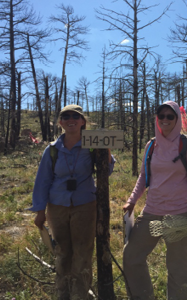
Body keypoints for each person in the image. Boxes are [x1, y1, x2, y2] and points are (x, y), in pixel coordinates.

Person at [30, 104, 115, 300]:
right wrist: (39, 211)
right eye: (66, 116)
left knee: (83, 252)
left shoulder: (92, 144)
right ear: (60, 122)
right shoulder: (52, 150)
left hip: (85, 205)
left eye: (75, 116)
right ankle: (63, 293)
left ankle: (80, 295)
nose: (71, 120)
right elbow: (42, 180)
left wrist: (106, 148)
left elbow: (106, 171)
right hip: (57, 207)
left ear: (83, 121)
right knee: (62, 251)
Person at [123, 101, 187, 300]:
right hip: (151, 211)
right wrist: (132, 200)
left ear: (178, 120)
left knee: (178, 265)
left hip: (180, 214)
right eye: (162, 116)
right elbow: (144, 176)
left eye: (170, 116)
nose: (165, 120)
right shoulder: (151, 146)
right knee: (131, 256)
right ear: (157, 119)